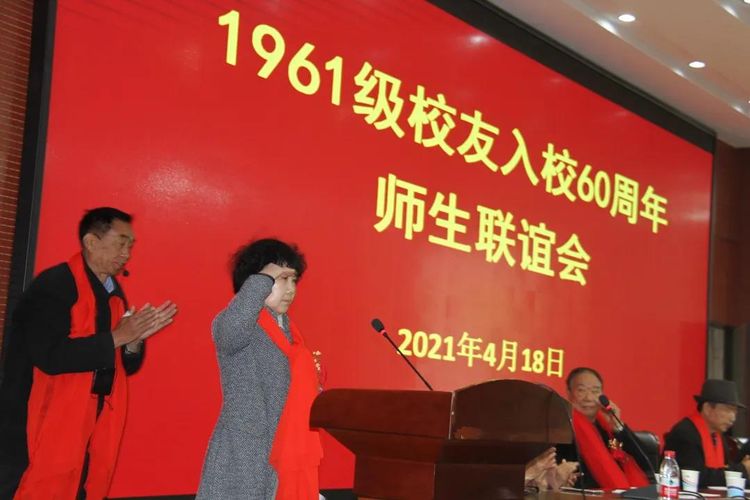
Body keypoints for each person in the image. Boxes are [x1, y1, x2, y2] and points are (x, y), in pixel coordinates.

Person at [0, 207, 177, 500]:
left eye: (131, 245)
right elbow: (51, 356)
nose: (127, 253)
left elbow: (120, 364)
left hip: (91, 419)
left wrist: (133, 343)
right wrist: (118, 337)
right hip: (37, 421)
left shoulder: (113, 294)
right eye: (121, 243)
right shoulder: (53, 286)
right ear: (91, 242)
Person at [197, 238, 322, 500]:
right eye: (281, 279)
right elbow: (230, 333)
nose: (290, 289)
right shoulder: (238, 323)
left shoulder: (292, 334)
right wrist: (262, 280)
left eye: (294, 280)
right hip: (245, 456)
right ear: (255, 280)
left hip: (284, 453)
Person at [558, 367, 651, 489]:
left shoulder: (607, 428)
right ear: (569, 393)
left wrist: (617, 426)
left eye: (595, 391)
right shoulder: (561, 428)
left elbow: (646, 464)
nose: (588, 398)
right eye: (581, 390)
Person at [664, 379, 750, 487]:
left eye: (735, 412)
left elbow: (724, 470)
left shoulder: (718, 437)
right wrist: (743, 469)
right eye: (728, 410)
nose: (733, 418)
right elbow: (697, 477)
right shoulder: (685, 434)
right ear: (708, 408)